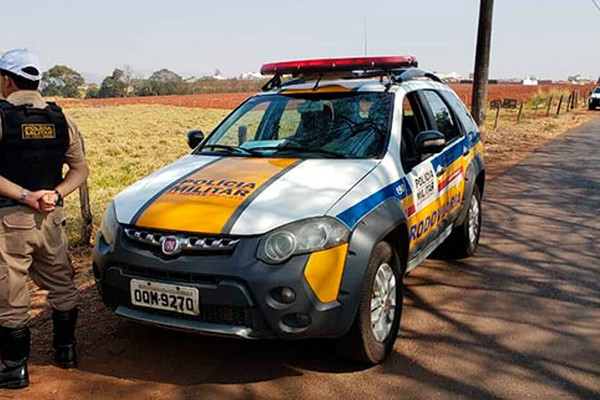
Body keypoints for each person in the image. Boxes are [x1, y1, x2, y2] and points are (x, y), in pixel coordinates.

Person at [0, 49, 89, 390]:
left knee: (11, 293)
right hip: (51, 219)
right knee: (62, 285)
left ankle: (14, 370)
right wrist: (55, 193)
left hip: (10, 222)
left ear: (6, 80)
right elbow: (80, 168)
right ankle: (66, 351)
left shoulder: (2, 116)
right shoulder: (58, 117)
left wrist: (26, 196)